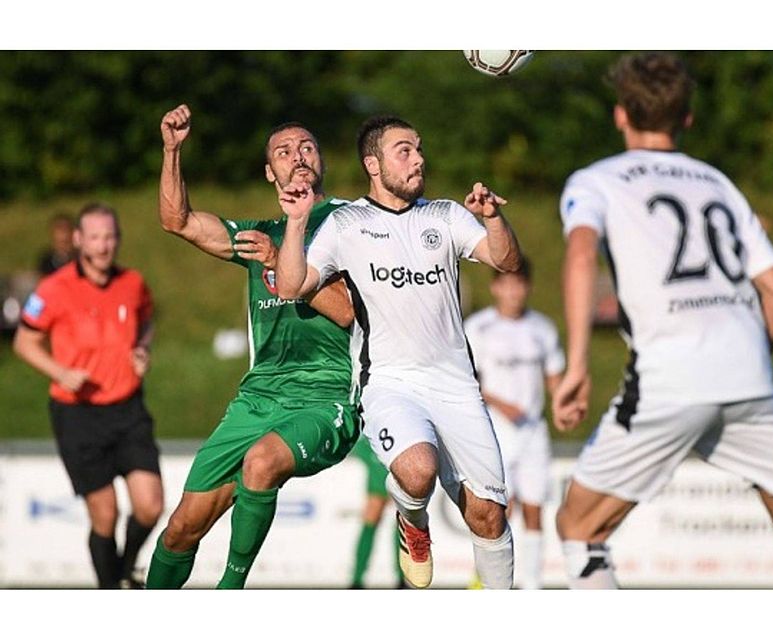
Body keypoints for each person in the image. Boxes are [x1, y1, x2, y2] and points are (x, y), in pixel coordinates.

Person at [551, 53, 773, 589]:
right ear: (686, 119)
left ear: (620, 115)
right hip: (750, 379)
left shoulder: (598, 181)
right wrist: (739, 364)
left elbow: (579, 256)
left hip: (668, 380)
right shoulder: (718, 184)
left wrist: (576, 364)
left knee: (579, 526)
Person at [275, 115, 522, 589]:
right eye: (404, 150)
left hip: (456, 385)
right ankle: (413, 520)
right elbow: (291, 285)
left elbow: (506, 261)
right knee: (417, 470)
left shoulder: (445, 215)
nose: (418, 159)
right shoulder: (347, 224)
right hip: (389, 381)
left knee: (489, 517)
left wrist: (492, 219)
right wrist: (296, 222)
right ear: (373, 163)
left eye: (419, 148)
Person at [145, 104, 359, 589]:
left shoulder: (351, 222)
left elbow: (348, 312)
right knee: (181, 529)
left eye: (307, 148)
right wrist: (173, 150)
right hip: (257, 399)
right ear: (270, 171)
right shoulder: (261, 233)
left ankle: (231, 592)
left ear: (321, 161)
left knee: (261, 463)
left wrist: (282, 264)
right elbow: (176, 221)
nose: (297, 157)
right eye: (284, 152)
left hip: (326, 395)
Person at [14, 202, 164, 589]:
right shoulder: (53, 289)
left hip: (128, 408)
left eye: (110, 236)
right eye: (95, 237)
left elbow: (146, 321)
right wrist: (60, 371)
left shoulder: (133, 282)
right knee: (106, 515)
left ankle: (126, 570)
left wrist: (143, 348)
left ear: (118, 239)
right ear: (79, 239)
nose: (103, 245)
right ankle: (109, 593)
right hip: (78, 414)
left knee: (150, 505)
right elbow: (24, 342)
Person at [463, 258, 565, 589]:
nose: (513, 292)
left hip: (533, 430)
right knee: (496, 512)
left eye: (519, 284)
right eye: (506, 284)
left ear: (527, 287)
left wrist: (566, 402)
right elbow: (466, 381)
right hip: (494, 430)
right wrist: (502, 404)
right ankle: (487, 582)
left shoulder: (543, 329)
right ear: (495, 287)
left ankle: (532, 585)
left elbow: (554, 379)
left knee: (535, 509)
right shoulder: (478, 328)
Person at [348, 437, 403, 589]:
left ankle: (401, 577)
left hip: (398, 472)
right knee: (372, 520)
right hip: (381, 475)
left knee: (402, 526)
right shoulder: (367, 439)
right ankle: (357, 579)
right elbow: (355, 446)